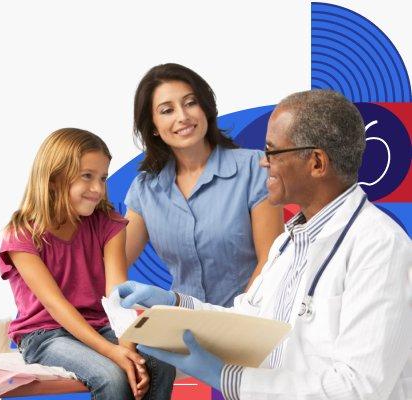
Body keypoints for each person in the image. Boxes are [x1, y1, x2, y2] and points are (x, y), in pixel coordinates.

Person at [117, 90, 412, 399]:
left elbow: (357, 388)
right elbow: (249, 325)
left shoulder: (380, 247)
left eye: (272, 151)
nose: (263, 163)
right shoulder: (288, 242)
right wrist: (177, 304)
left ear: (316, 163)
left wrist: (228, 378)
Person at [0, 128, 175, 400]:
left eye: (102, 178)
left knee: (159, 364)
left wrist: (127, 350)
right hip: (45, 334)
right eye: (87, 177)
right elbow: (57, 307)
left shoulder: (108, 223)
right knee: (111, 377)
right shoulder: (21, 233)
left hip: (101, 325)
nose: (98, 189)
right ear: (55, 178)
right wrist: (113, 353)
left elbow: (117, 295)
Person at [124, 63, 284, 306]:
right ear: (153, 127)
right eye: (167, 110)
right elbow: (113, 263)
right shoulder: (145, 189)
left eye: (190, 103)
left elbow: (271, 262)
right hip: (181, 326)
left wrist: (237, 322)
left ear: (205, 108)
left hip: (247, 324)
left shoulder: (254, 168)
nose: (183, 116)